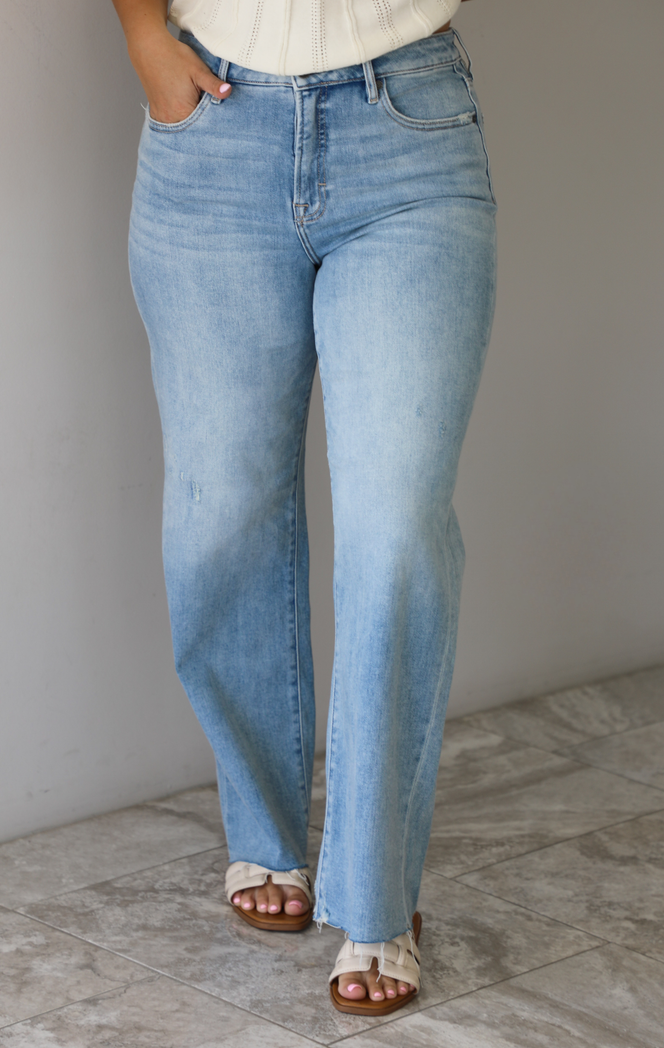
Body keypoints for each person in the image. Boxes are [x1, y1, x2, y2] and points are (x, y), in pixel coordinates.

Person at [111, 0, 496, 1016]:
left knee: (397, 524)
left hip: (405, 127)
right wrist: (143, 35)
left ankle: (377, 898)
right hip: (213, 132)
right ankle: (262, 834)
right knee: (219, 514)